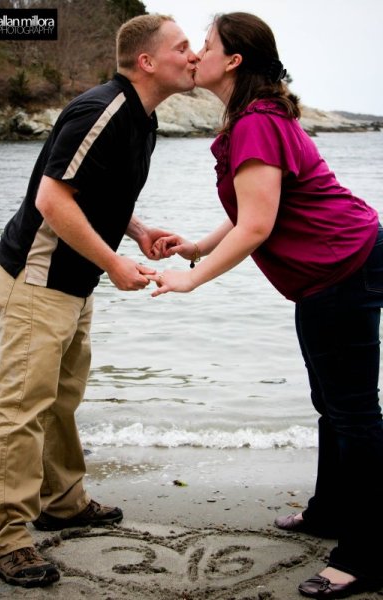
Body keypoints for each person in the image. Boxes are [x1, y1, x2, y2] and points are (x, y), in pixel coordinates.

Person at [149, 12, 383, 600]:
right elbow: (254, 204)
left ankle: (369, 553)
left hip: (342, 267)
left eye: (204, 46)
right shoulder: (253, 118)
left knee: (354, 412)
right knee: (332, 403)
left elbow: (256, 226)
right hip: (333, 270)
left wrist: (193, 278)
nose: (196, 54)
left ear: (232, 62)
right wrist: (200, 243)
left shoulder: (255, 122)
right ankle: (330, 512)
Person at [0, 14, 197, 588]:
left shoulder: (140, 117)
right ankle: (3, 538)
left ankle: (62, 501)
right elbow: (52, 199)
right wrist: (114, 263)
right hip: (40, 277)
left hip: (72, 281)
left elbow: (96, 190)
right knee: (22, 407)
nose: (193, 55)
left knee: (62, 395)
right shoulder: (102, 109)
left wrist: (138, 231)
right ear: (147, 62)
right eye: (182, 48)